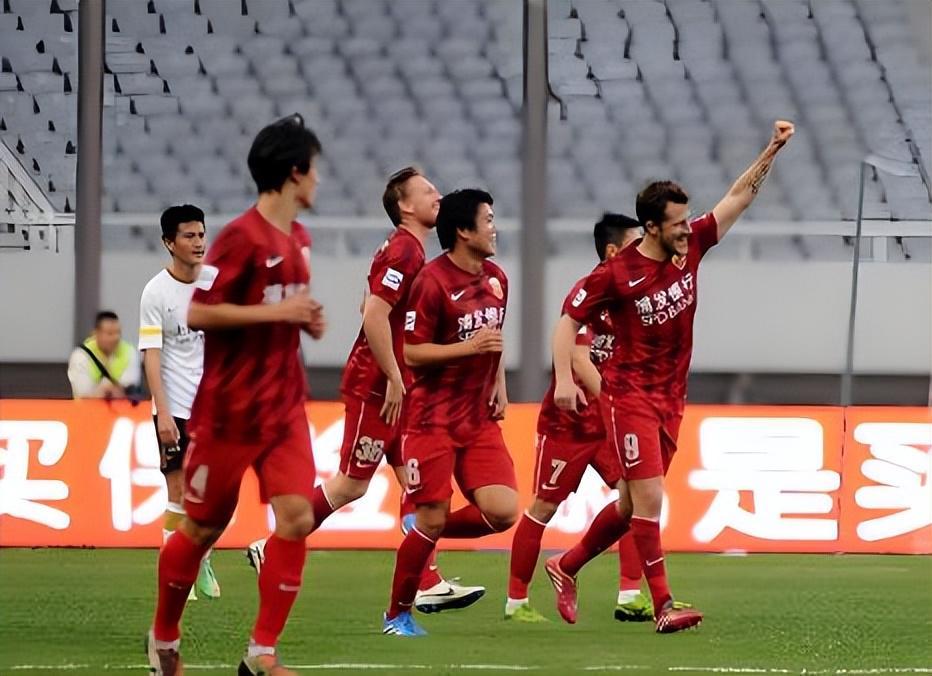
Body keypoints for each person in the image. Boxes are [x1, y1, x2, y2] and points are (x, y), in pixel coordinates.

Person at [549, 120, 795, 633]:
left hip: (670, 398)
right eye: (678, 222)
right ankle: (663, 605)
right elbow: (568, 320)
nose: (688, 228)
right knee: (650, 497)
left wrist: (771, 149)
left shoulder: (693, 246)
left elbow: (738, 198)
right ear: (652, 227)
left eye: (687, 219)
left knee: (626, 506)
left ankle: (565, 565)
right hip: (628, 396)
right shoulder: (615, 274)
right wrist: (566, 379)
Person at [246, 167, 485, 612]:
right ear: (405, 206)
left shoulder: (407, 249)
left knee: (417, 486)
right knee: (352, 485)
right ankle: (273, 545)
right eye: (427, 191)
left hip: (397, 387)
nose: (438, 195)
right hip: (376, 387)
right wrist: (393, 375)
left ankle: (427, 580)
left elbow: (371, 304)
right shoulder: (405, 251)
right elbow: (373, 314)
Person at [146, 114, 327, 676]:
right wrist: (280, 312)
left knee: (296, 517)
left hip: (283, 407)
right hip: (230, 412)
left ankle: (261, 652)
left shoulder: (299, 239)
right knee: (202, 527)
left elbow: (281, 312)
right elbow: (201, 313)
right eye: (314, 169)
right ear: (294, 172)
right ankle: (163, 636)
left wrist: (304, 319)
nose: (319, 180)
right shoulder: (241, 237)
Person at [382, 189, 518, 637]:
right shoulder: (431, 281)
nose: (494, 228)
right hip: (432, 419)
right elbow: (413, 352)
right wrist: (469, 349)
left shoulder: (497, 279)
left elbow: (492, 339)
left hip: (477, 419)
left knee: (503, 512)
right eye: (488, 220)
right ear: (463, 231)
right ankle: (397, 615)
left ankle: (423, 531)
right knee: (433, 515)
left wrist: (498, 382)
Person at [505, 213, 641, 623]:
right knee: (544, 506)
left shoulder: (637, 296)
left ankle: (629, 594)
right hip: (572, 421)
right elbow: (579, 356)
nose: (643, 252)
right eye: (635, 245)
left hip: (610, 421)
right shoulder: (593, 289)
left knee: (636, 498)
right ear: (613, 251)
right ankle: (516, 602)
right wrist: (613, 400)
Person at [138, 204, 219, 602]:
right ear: (169, 243)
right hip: (176, 407)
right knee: (178, 492)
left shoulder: (216, 282)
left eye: (201, 234)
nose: (198, 242)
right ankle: (177, 573)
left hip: (216, 407)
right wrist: (163, 413)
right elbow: (151, 355)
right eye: (189, 236)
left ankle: (200, 557)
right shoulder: (155, 292)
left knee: (212, 497)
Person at [67, 311, 140, 398]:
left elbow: (130, 388)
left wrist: (108, 390)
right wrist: (107, 390)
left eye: (118, 333)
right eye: (110, 333)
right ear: (96, 334)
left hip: (121, 406)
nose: (116, 338)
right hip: (88, 406)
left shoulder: (129, 352)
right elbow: (81, 393)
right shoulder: (81, 355)